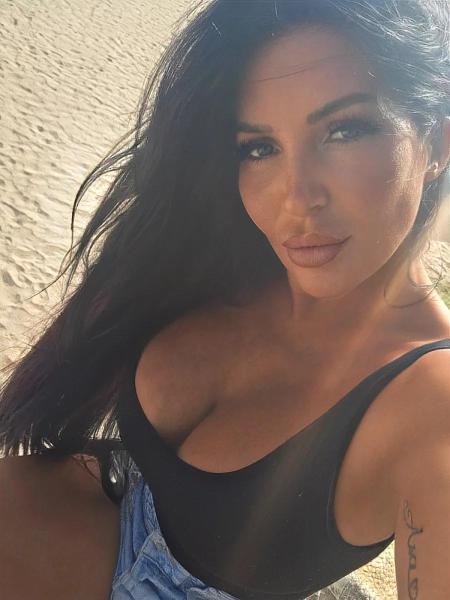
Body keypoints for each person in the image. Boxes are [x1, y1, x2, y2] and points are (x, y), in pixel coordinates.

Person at [0, 0, 449, 598]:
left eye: (345, 129)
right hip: (92, 513)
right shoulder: (230, 254)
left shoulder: (433, 401)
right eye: (259, 147)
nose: (296, 198)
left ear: (437, 143)